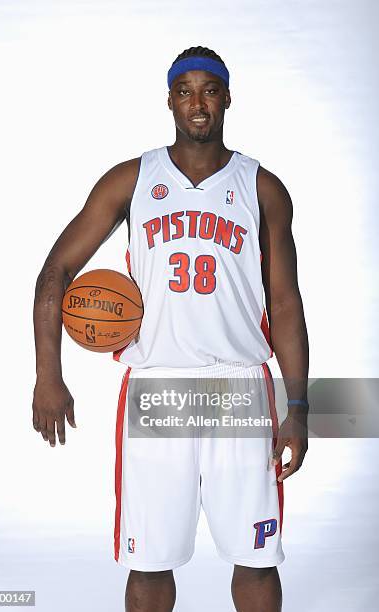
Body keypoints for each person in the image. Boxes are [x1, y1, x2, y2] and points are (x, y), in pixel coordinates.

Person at [32, 45, 309, 612]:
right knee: (150, 561)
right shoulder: (133, 179)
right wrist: (47, 377)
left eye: (210, 90)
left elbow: (285, 304)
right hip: (158, 388)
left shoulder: (262, 188)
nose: (197, 104)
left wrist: (299, 406)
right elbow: (55, 271)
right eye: (185, 92)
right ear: (169, 101)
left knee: (257, 558)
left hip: (240, 392)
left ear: (228, 98)